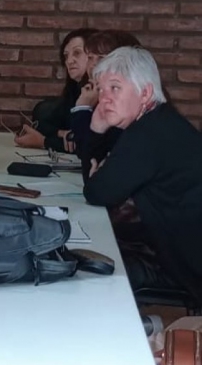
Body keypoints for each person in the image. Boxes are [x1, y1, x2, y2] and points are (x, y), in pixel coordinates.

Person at [83, 47, 202, 301]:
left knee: (88, 267)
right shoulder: (157, 121)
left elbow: (97, 192)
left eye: (115, 88)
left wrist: (95, 133)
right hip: (179, 249)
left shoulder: (149, 134)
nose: (104, 99)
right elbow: (100, 180)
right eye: (101, 90)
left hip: (184, 266)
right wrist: (97, 133)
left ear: (145, 93)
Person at [70, 30, 141, 182]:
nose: (93, 65)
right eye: (90, 58)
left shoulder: (126, 104)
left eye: (102, 58)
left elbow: (90, 155)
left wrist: (82, 109)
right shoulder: (94, 94)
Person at [14, 28, 96, 152]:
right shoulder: (75, 90)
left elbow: (85, 145)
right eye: (66, 56)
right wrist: (61, 133)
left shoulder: (99, 91)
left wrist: (43, 142)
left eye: (77, 53)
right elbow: (43, 121)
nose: (69, 61)